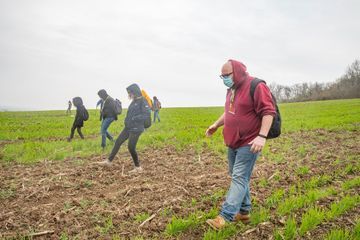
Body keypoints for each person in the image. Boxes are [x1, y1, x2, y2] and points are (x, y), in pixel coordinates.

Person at [205, 60, 276, 229]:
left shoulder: (256, 86)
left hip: (249, 141)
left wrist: (261, 136)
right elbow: (229, 112)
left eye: (226, 75)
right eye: (221, 76)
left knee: (239, 177)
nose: (224, 79)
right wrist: (216, 124)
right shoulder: (231, 89)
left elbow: (268, 111)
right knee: (238, 176)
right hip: (233, 141)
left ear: (237, 71)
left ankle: (225, 216)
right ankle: (244, 213)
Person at [101, 83, 150, 174]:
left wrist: (134, 118)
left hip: (136, 128)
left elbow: (146, 114)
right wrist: (127, 120)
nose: (129, 95)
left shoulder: (143, 101)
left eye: (130, 92)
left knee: (131, 147)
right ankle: (108, 161)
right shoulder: (134, 101)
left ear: (135, 92)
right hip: (128, 127)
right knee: (118, 142)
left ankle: (138, 168)